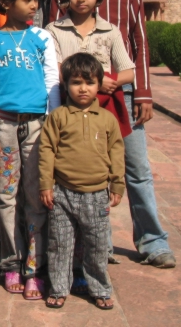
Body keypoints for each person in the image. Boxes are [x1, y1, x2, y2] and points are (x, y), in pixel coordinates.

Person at [48, 0, 176, 269]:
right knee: (79, 168)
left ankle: (152, 241)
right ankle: (93, 244)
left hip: (120, 92)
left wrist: (145, 92)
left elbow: (138, 38)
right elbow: (52, 39)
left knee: (134, 167)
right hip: (74, 96)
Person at [0, 0, 61, 300]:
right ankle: (11, 263)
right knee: (6, 197)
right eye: (27, 0)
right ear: (5, 2)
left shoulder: (41, 37)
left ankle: (34, 267)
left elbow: (52, 80)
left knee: (35, 197)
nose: (34, 5)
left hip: (38, 125)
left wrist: (53, 127)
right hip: (4, 125)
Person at [39, 53, 125, 311]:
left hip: (96, 194)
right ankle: (58, 288)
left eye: (89, 82)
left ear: (99, 84)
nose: (83, 88)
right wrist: (46, 184)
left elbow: (117, 152)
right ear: (65, 85)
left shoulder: (107, 119)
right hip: (62, 194)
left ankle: (99, 288)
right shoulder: (59, 116)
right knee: (59, 245)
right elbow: (47, 151)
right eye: (76, 82)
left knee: (97, 246)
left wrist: (117, 184)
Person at [46, 0, 135, 140]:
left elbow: (128, 73)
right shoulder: (54, 30)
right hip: (68, 110)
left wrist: (106, 82)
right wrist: (94, 82)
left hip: (103, 110)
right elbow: (56, 71)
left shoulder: (110, 31)